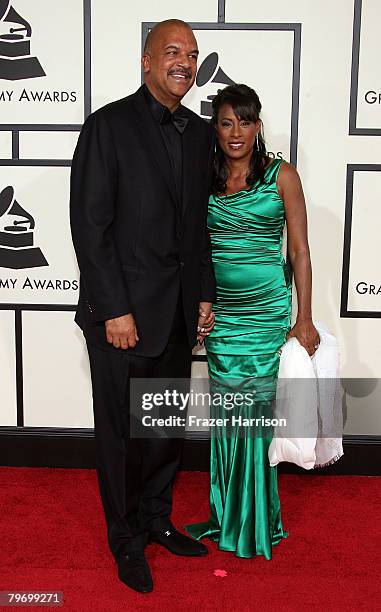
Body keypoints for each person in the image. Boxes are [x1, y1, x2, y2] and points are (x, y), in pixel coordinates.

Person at [70, 19, 216, 593]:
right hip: (123, 317)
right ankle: (125, 539)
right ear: (146, 60)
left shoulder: (200, 134)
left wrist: (203, 290)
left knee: (162, 429)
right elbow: (90, 223)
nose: (185, 61)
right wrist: (114, 308)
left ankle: (157, 520)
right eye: (173, 51)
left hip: (178, 312)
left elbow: (197, 224)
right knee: (122, 436)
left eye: (193, 54)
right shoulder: (107, 126)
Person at [186, 84, 320, 559]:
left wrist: (304, 317)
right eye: (225, 122)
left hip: (265, 315)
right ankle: (227, 513)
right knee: (228, 417)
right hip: (222, 318)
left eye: (244, 121)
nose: (235, 132)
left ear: (258, 126)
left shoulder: (281, 176)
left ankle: (257, 521)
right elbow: (190, 249)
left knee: (256, 419)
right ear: (216, 129)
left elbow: (299, 250)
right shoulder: (202, 176)